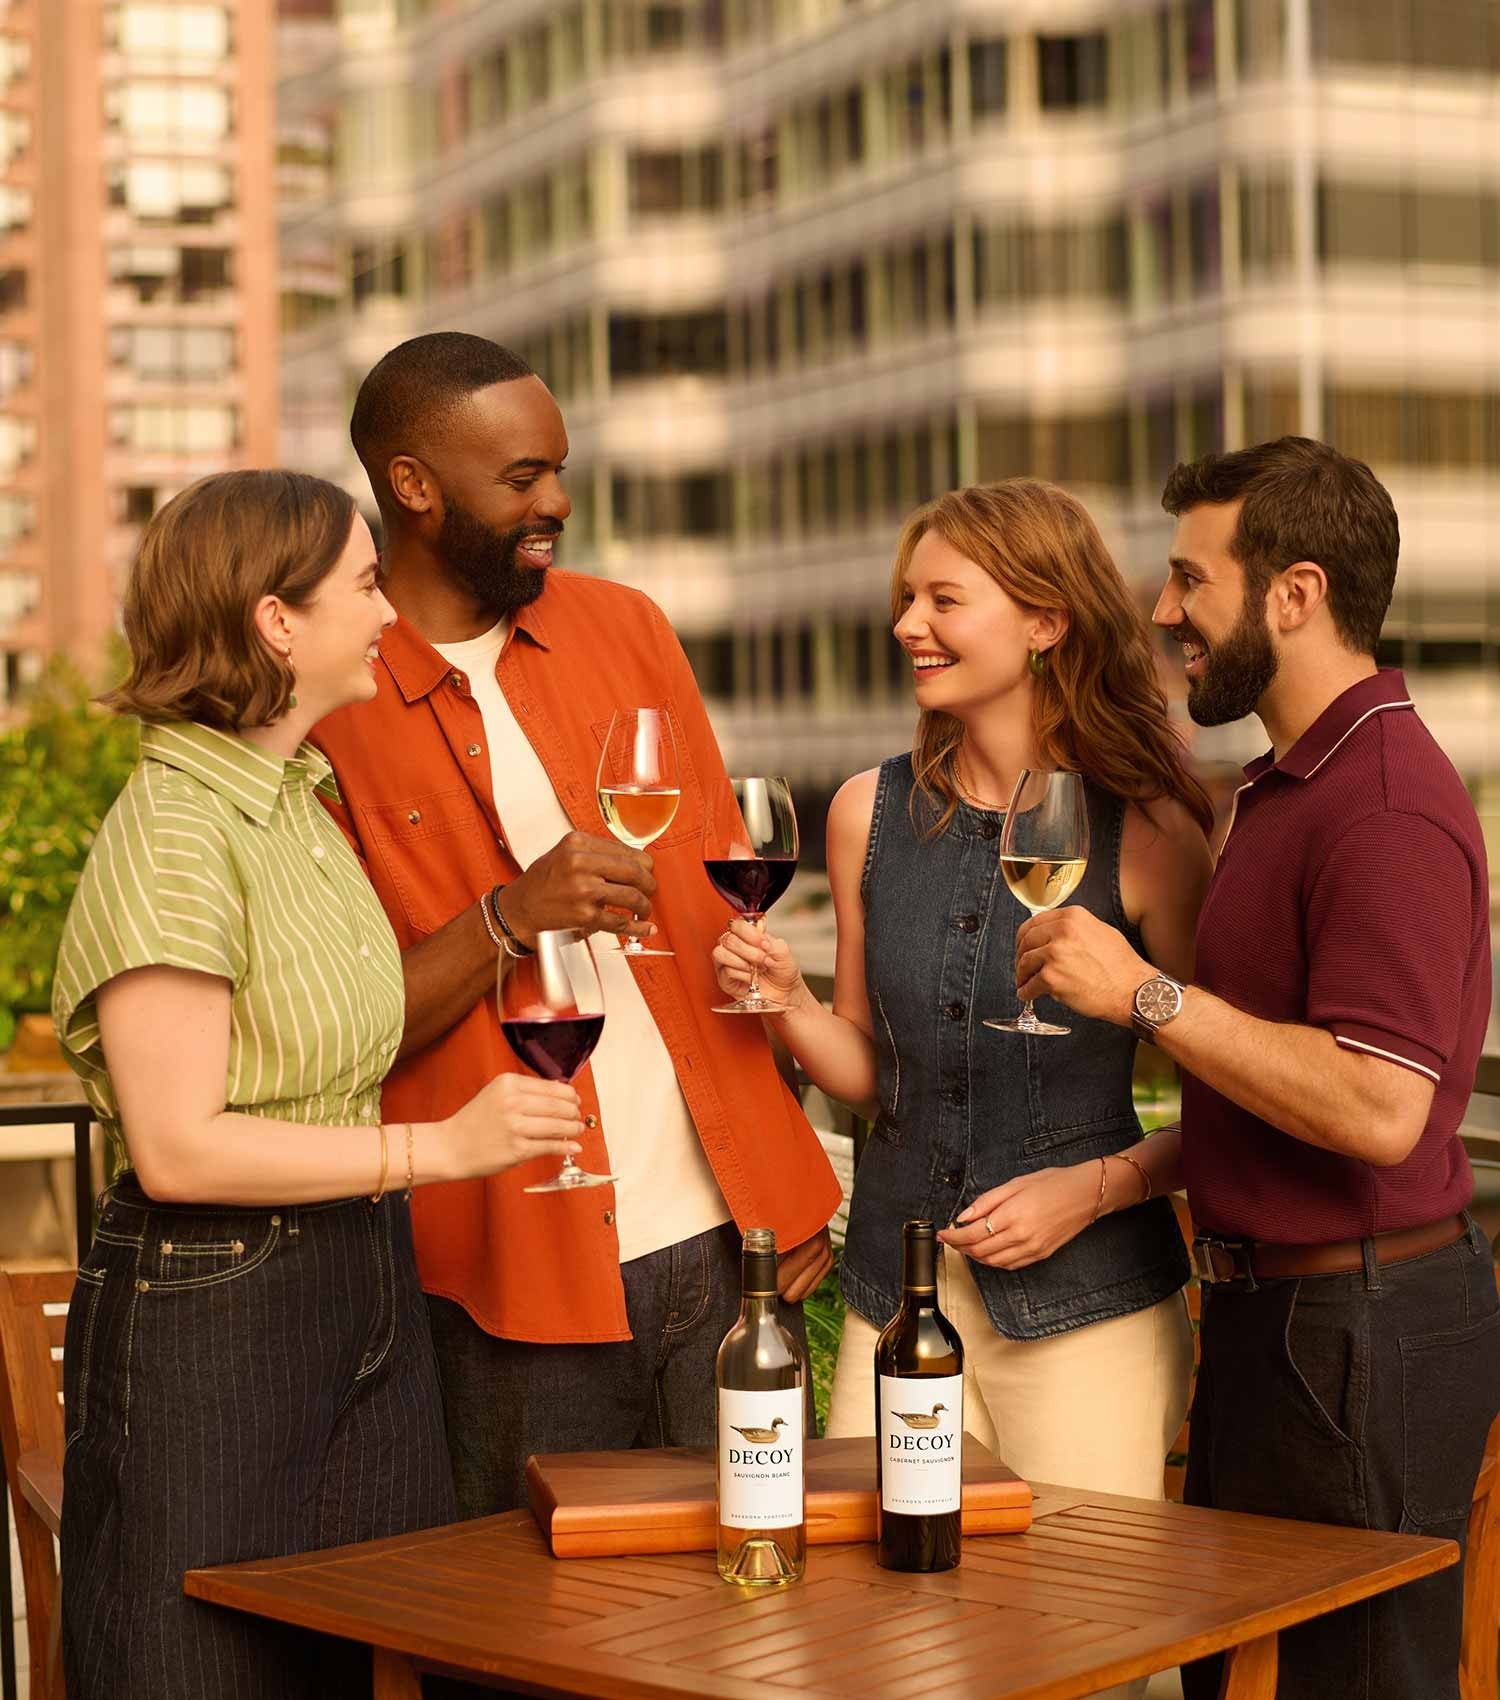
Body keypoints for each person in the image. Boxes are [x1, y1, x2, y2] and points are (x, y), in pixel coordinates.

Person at [51, 471, 584, 1700]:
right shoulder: (178, 825)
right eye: (362, 583)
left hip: (359, 1276)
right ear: (276, 621)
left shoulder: (299, 800)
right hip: (214, 1300)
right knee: (197, 1669)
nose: (388, 610)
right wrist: (437, 1151)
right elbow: (179, 1146)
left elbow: (345, 1037)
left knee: (359, 1655)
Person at [311, 332, 840, 1517]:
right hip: (507, 1269)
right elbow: (342, 1028)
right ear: (413, 485)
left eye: (559, 467)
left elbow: (720, 917)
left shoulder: (627, 628)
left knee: (761, 1612)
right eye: (520, 478)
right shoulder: (331, 699)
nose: (555, 501)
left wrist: (784, 1176)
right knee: (536, 1636)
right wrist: (508, 915)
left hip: (721, 1241)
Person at [1015, 436, 1500, 1700]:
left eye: (1190, 580)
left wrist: (1144, 992)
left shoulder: (1383, 804)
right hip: (1267, 1316)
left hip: (1360, 1329)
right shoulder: (1281, 787)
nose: (1164, 609)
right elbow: (1265, 1081)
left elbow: (1381, 1106)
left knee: (1365, 1683)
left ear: (1295, 593)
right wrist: (1120, 1180)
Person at [713, 479, 1210, 1514]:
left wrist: (1096, 1187)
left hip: (1090, 1307)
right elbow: (867, 1070)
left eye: (943, 599)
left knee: (1088, 1633)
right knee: (885, 1628)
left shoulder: (1150, 834)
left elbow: (1232, 1082)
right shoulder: (868, 811)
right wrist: (784, 1002)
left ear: (1044, 620)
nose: (908, 625)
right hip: (894, 1299)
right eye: (907, 599)